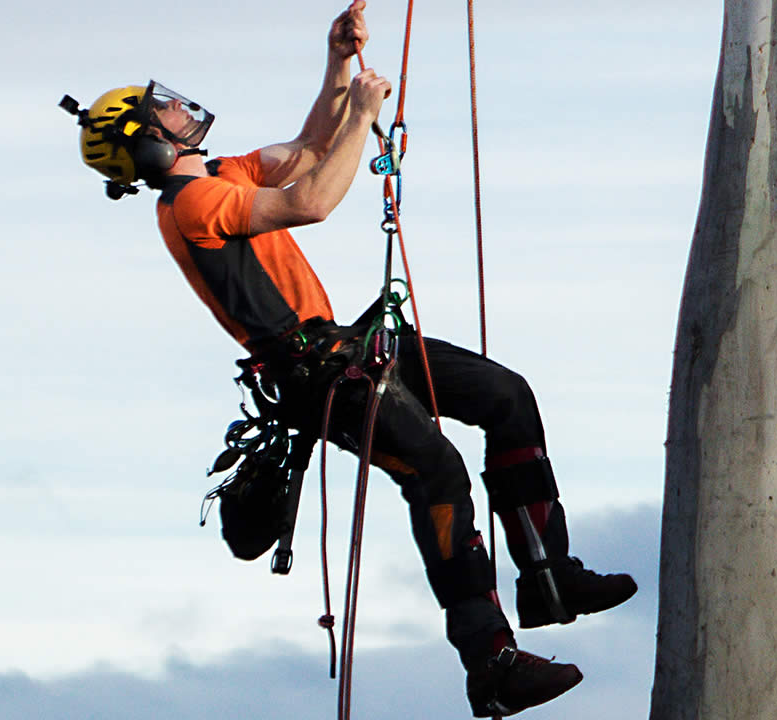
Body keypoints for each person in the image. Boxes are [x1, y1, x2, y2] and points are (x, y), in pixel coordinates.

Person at [58, 3, 635, 716]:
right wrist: (363, 113)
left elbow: (306, 148)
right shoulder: (193, 204)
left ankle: (551, 577)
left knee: (506, 397)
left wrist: (337, 66)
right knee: (438, 472)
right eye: (163, 113)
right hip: (319, 373)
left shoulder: (222, 176)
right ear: (147, 147)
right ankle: (491, 662)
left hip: (346, 346)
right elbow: (311, 200)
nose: (180, 111)